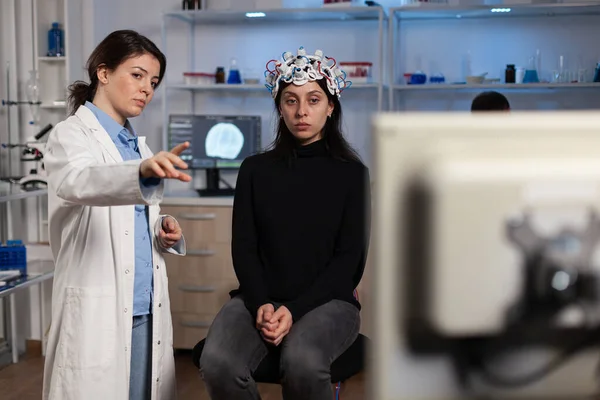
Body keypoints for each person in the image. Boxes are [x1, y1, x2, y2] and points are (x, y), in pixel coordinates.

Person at [199, 46, 371, 400]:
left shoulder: (353, 175)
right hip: (260, 298)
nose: (302, 111)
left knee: (303, 362)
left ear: (331, 105)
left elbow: (348, 263)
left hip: (330, 301)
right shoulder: (254, 171)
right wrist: (262, 303)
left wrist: (293, 310)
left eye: (313, 99)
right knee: (217, 362)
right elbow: (244, 248)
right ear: (280, 107)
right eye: (291, 100)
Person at [42, 30, 191, 400]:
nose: (147, 89)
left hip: (143, 303)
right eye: (137, 75)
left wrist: (161, 229)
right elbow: (81, 182)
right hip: (100, 306)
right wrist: (141, 171)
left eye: (153, 81)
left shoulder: (135, 144)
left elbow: (127, 224)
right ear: (103, 73)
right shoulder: (70, 135)